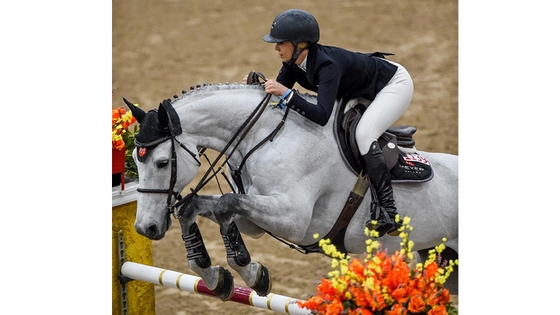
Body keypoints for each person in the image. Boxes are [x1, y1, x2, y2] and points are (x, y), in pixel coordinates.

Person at [244, 9, 414, 237]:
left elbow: (321, 115)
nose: (275, 48)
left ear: (300, 44)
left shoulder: (327, 65)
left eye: (280, 43)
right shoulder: (293, 63)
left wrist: (286, 92)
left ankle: (388, 212)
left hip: (393, 85)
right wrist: (257, 84)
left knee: (364, 135)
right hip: (357, 89)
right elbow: (277, 92)